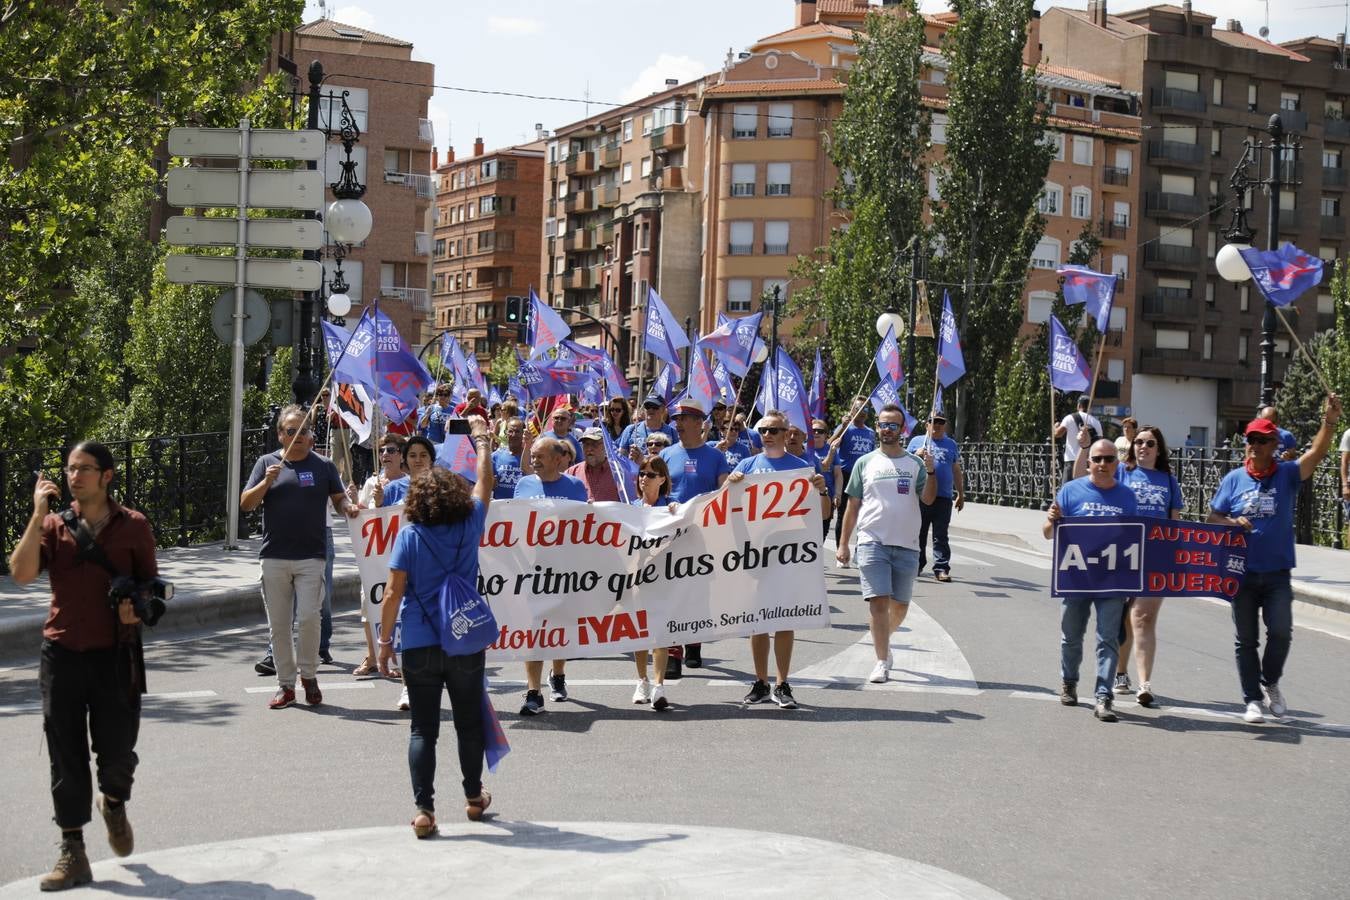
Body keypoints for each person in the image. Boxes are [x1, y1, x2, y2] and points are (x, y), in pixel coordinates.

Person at [9, 442, 158, 891]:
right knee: (65, 757)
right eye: (71, 470)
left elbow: (152, 588)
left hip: (116, 655)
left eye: (85, 469)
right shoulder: (54, 526)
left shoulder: (134, 526)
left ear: (107, 476)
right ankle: (73, 850)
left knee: (116, 757)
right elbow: (20, 572)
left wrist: (138, 607)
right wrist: (37, 513)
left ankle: (113, 803)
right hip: (62, 655)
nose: (74, 477)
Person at [377, 417, 496, 839]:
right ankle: (472, 796)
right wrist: (482, 442)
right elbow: (484, 484)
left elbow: (392, 594)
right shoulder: (470, 524)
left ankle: (424, 810)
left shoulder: (408, 536)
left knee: (422, 728)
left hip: (420, 640)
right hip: (463, 637)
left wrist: (384, 643)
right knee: (468, 723)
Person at [1208, 394, 1342, 723]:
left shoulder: (1286, 475)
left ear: (1273, 444)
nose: (1253, 445)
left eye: (1261, 440)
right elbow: (1212, 517)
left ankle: (1270, 682)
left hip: (1278, 572)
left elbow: (1317, 453)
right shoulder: (1233, 480)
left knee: (1281, 632)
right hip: (1242, 573)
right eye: (1250, 439)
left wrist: (1330, 421)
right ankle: (1252, 699)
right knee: (1246, 640)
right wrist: (1231, 522)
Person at [241, 406, 358, 710]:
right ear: (280, 435)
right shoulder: (266, 463)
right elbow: (246, 505)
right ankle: (285, 685)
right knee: (279, 626)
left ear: (310, 435)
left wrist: (349, 508)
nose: (298, 436)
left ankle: (309, 675)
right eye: (291, 431)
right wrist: (266, 481)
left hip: (311, 556)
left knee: (309, 618)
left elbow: (339, 498)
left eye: (303, 430)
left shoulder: (323, 465)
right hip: (275, 556)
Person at [1074, 424, 1184, 707]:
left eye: (1149, 443)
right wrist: (1085, 447)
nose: (1143, 447)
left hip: (1154, 557)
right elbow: (1079, 480)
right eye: (1139, 442)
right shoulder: (1121, 471)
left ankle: (1145, 683)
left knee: (1143, 617)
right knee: (1120, 618)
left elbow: (1174, 523)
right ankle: (1120, 672)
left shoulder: (1169, 481)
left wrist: (1173, 557)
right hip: (1119, 555)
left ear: (1159, 450)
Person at [727, 410, 830, 709]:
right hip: (755, 553)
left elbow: (822, 514)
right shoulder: (747, 465)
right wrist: (730, 485)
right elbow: (724, 506)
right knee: (757, 621)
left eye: (774, 430)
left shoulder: (802, 468)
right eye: (763, 430)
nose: (768, 434)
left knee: (785, 619)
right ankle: (760, 681)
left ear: (787, 434)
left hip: (788, 555)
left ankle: (783, 683)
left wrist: (822, 492)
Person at [836, 406, 937, 684]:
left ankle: (884, 640)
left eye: (894, 425)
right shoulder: (865, 463)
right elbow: (852, 506)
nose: (888, 429)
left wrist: (930, 470)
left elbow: (928, 499)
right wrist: (843, 543)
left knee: (900, 607)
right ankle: (881, 661)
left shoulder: (914, 464)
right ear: (877, 427)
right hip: (872, 543)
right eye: (883, 424)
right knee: (878, 603)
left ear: (902, 430)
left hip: (907, 545)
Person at [1044, 438, 1138, 723]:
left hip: (1111, 581)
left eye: (1109, 459)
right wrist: (1051, 519)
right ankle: (1069, 682)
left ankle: (1103, 696)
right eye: (1097, 459)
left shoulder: (1127, 497)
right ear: (1088, 464)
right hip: (1076, 580)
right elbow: (1048, 533)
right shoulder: (1071, 492)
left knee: (1107, 638)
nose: (1103, 464)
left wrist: (1133, 583)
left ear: (1117, 463)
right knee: (1071, 636)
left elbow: (1135, 539)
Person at [513, 437, 589, 714]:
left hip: (566, 570)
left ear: (559, 460)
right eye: (532, 455)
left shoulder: (576, 487)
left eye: (540, 455)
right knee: (534, 629)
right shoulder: (523, 485)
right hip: (532, 571)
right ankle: (533, 692)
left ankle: (558, 674)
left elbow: (586, 525)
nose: (534, 460)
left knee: (561, 626)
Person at [660, 397, 732, 672]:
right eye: (676, 419)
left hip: (704, 533)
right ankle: (673, 652)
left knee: (699, 591)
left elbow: (723, 493)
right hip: (672, 534)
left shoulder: (716, 457)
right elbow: (658, 492)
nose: (678, 424)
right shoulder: (666, 455)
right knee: (673, 590)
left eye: (683, 419)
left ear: (698, 423)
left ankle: (694, 642)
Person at [350, 433, 408, 677]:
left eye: (391, 450)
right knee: (369, 605)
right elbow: (363, 515)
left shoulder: (410, 483)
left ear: (401, 456)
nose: (385, 455)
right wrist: (354, 503)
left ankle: (396, 659)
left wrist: (385, 502)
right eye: (383, 450)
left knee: (398, 607)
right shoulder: (371, 482)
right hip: (375, 557)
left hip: (401, 557)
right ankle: (372, 656)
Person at [630, 454, 674, 711]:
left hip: (664, 579)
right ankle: (641, 681)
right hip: (637, 579)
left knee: (660, 633)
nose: (644, 478)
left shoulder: (672, 507)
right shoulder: (630, 507)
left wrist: (674, 513)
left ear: (662, 479)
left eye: (650, 474)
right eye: (642, 474)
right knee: (639, 633)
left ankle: (659, 685)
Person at [907, 410, 964, 583]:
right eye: (933, 421)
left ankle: (941, 567)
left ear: (945, 424)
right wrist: (915, 455)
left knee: (941, 534)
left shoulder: (951, 444)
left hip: (944, 496)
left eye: (940, 422)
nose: (937, 425)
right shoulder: (917, 442)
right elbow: (905, 464)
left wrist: (961, 493)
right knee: (919, 531)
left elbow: (955, 469)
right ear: (927, 424)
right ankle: (917, 564)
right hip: (921, 495)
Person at [832, 402, 876, 544]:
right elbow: (829, 445)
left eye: (866, 409)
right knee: (843, 514)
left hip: (864, 477)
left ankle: (860, 551)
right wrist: (843, 428)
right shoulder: (845, 428)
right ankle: (841, 549)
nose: (862, 412)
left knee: (864, 515)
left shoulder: (870, 432)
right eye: (858, 408)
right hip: (846, 475)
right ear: (852, 409)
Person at [1054, 395, 1102, 485]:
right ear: (1090, 407)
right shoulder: (1096, 422)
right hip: (1088, 463)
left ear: (1078, 405)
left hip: (1071, 461)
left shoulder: (1070, 418)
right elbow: (1099, 444)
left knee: (1068, 490)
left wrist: (1055, 427)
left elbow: (1058, 434)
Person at [568, 427, 625, 502]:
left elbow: (627, 502)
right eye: (586, 444)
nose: (589, 449)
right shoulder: (572, 472)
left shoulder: (618, 473)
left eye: (594, 444)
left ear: (605, 445)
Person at [808, 419, 842, 539]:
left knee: (822, 533)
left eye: (820, 431)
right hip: (808, 500)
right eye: (813, 431)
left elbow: (838, 474)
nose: (816, 433)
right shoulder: (804, 449)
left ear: (825, 435)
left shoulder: (830, 449)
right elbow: (822, 468)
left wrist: (837, 494)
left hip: (826, 498)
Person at [382, 436, 436, 507]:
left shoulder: (441, 488)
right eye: (412, 456)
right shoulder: (392, 489)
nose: (418, 460)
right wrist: (378, 504)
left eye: (423, 455)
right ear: (405, 460)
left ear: (431, 459)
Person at [617, 397, 676, 461]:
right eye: (647, 406)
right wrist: (629, 458)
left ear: (663, 409)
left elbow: (675, 459)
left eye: (654, 407)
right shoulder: (631, 429)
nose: (650, 409)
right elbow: (621, 457)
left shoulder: (672, 432)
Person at [491, 417, 526, 500]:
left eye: (517, 432)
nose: (514, 435)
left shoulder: (531, 457)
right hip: (500, 507)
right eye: (510, 431)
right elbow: (486, 484)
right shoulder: (495, 456)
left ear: (523, 433)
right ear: (506, 433)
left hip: (523, 507)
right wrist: (490, 484)